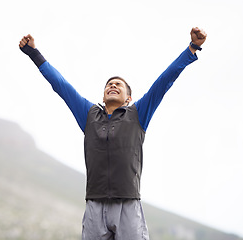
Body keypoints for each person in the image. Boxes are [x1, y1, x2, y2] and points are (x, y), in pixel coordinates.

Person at [19, 27, 207, 240]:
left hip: (128, 203)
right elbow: (60, 85)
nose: (113, 86)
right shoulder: (89, 114)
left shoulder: (138, 114)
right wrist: (34, 53)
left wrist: (192, 48)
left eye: (119, 85)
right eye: (109, 84)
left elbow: (164, 81)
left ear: (128, 98)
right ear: (104, 93)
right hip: (94, 206)